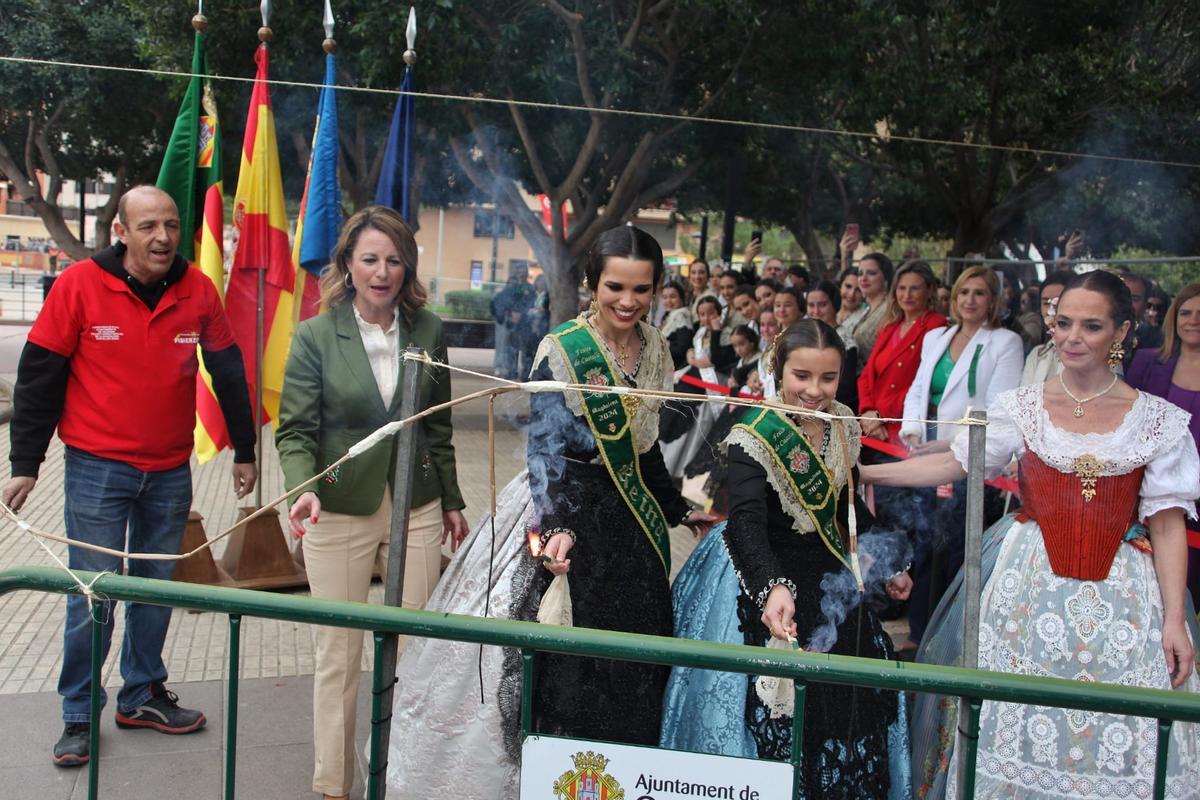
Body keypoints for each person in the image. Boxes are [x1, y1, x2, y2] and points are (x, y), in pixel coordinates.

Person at [384, 226, 715, 798]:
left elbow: (644, 448)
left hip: (630, 531)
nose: (628, 301)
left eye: (641, 289)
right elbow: (543, 450)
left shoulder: (657, 348)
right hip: (566, 512)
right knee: (565, 667)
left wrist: (678, 509)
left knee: (632, 666)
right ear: (592, 283)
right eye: (615, 287)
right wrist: (557, 526)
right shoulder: (562, 350)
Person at [865, 271, 1200, 799]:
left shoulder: (1157, 421)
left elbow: (1167, 524)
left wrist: (1175, 620)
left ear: (1121, 332)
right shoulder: (1021, 405)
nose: (1072, 337)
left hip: (1124, 598)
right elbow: (956, 463)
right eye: (1063, 323)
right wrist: (863, 472)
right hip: (1028, 585)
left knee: (1116, 728)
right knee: (1014, 714)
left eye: (1091, 326)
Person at [2, 185, 257, 767]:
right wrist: (25, 466)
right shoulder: (79, 285)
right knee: (93, 593)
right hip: (96, 469)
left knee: (154, 591)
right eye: (148, 227)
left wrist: (245, 450)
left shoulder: (199, 289)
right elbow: (39, 377)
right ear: (121, 232)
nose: (163, 237)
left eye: (171, 225)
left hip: (169, 470)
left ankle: (141, 695)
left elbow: (227, 369)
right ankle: (77, 714)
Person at [660, 319, 913, 800]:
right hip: (759, 568)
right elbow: (746, 523)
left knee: (843, 704)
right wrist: (771, 586)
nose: (814, 391)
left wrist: (889, 562)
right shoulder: (752, 434)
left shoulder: (842, 423)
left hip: (827, 572)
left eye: (828, 378)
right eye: (802, 376)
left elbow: (845, 506)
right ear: (778, 370)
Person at [275, 206, 469, 800]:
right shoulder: (315, 335)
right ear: (347, 264)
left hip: (418, 505)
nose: (382, 272)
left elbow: (438, 425)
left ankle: (401, 778)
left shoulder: (429, 329)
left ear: (407, 266)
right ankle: (334, 784)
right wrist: (303, 489)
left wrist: (452, 498)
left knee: (415, 649)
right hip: (336, 506)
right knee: (339, 653)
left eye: (394, 260)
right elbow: (295, 431)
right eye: (369, 259)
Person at [896, 266, 1023, 654]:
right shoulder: (936, 336)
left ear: (993, 300)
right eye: (964, 292)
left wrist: (950, 444)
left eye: (979, 293)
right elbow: (919, 387)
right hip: (925, 448)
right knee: (924, 540)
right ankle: (918, 631)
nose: (970, 300)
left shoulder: (1005, 342)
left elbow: (998, 406)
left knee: (955, 546)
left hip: (968, 454)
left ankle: (949, 639)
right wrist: (913, 430)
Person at [1126, 281, 1200, 607]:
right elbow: (1126, 422)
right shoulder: (1146, 361)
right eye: (1186, 313)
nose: (1193, 321)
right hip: (1150, 499)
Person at [858, 260, 947, 447]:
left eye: (914, 288)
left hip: (903, 429)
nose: (907, 295)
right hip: (872, 427)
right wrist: (867, 412)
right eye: (902, 288)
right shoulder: (889, 326)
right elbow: (867, 375)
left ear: (929, 290)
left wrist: (881, 415)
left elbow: (924, 383)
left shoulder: (936, 326)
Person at [661, 295, 737, 478]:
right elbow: (692, 350)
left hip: (712, 383)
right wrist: (690, 354)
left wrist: (716, 332)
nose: (706, 318)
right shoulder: (700, 333)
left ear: (719, 313)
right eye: (702, 314)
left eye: (711, 313)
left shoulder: (727, 334)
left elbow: (719, 359)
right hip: (692, 378)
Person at [807, 279, 859, 410]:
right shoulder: (807, 335)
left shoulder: (845, 341)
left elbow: (845, 387)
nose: (816, 311)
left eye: (823, 305)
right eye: (811, 305)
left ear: (834, 304)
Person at [1021, 270, 1075, 386]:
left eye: (1058, 302)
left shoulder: (1092, 353)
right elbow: (1023, 395)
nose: (1051, 310)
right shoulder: (1037, 354)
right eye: (1046, 303)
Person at [489, 262, 536, 379]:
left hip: (525, 322)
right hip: (512, 322)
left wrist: (522, 314)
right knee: (511, 349)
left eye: (523, 271)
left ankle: (526, 373)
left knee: (526, 349)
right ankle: (511, 371)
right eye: (519, 271)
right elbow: (503, 301)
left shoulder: (531, 288)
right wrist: (509, 313)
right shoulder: (511, 287)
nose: (521, 274)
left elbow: (532, 303)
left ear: (527, 273)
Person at [850, 253, 896, 369]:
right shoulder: (865, 309)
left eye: (871, 273)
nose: (863, 278)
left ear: (886, 278)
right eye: (860, 274)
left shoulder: (891, 309)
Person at [658, 279, 694, 370]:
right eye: (665, 297)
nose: (668, 301)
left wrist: (663, 346)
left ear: (681, 298)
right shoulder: (668, 315)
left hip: (676, 369)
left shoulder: (681, 316)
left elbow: (682, 348)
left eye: (673, 297)